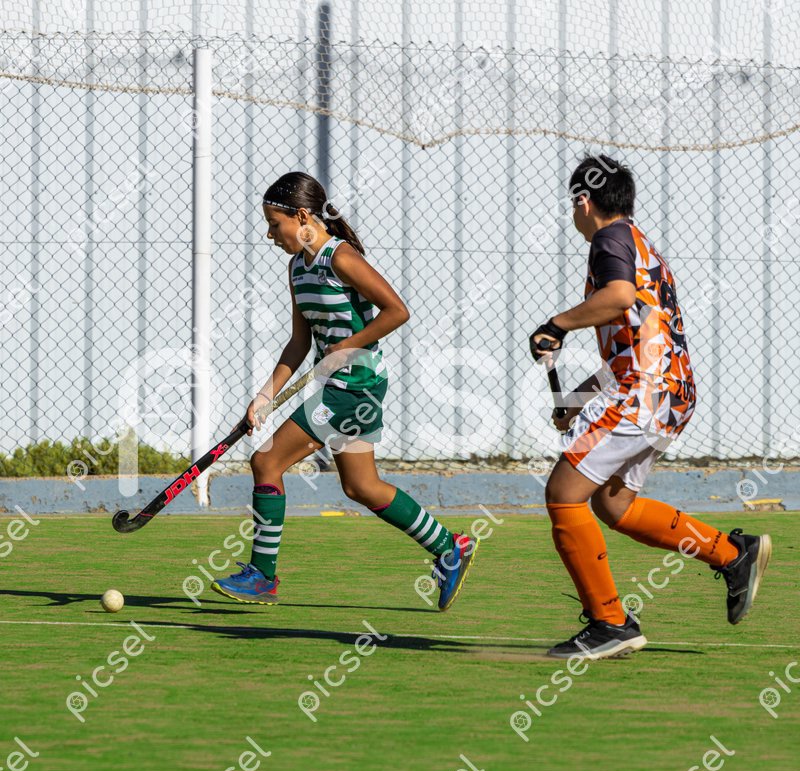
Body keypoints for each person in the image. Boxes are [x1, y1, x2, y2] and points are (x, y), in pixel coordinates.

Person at [530, 154, 772, 660]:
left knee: (563, 494)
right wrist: (576, 401)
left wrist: (557, 324)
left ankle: (610, 623)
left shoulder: (608, 240)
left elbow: (619, 297)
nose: (573, 214)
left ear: (584, 201)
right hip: (668, 391)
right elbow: (635, 343)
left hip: (642, 392)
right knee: (613, 504)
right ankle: (733, 554)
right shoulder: (641, 246)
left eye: (573, 204)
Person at [212, 172, 478, 610]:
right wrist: (264, 396)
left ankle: (262, 576)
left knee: (266, 461)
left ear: (302, 217)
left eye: (275, 224)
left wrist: (348, 345)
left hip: (354, 385)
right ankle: (450, 547)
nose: (270, 234)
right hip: (345, 386)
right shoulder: (298, 267)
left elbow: (397, 311)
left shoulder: (340, 257)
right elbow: (299, 341)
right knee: (362, 487)